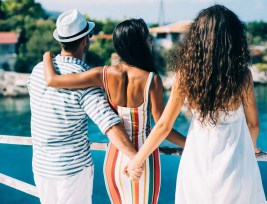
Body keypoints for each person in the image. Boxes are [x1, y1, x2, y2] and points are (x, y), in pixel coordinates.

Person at [126, 5, 266, 204]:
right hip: (236, 165)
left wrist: (137, 160)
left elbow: (163, 126)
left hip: (197, 162)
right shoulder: (242, 76)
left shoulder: (185, 76)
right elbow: (253, 125)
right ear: (234, 37)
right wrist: (252, 148)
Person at [42, 18, 186, 204]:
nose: (150, 41)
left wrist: (47, 56)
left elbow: (53, 81)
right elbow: (163, 128)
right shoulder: (152, 80)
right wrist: (190, 143)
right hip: (141, 160)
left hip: (114, 159)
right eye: (148, 38)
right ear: (139, 44)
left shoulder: (103, 73)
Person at [27, 9, 139, 204]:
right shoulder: (83, 77)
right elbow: (108, 124)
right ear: (85, 40)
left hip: (41, 167)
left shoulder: (38, 71)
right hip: (71, 171)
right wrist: (135, 157)